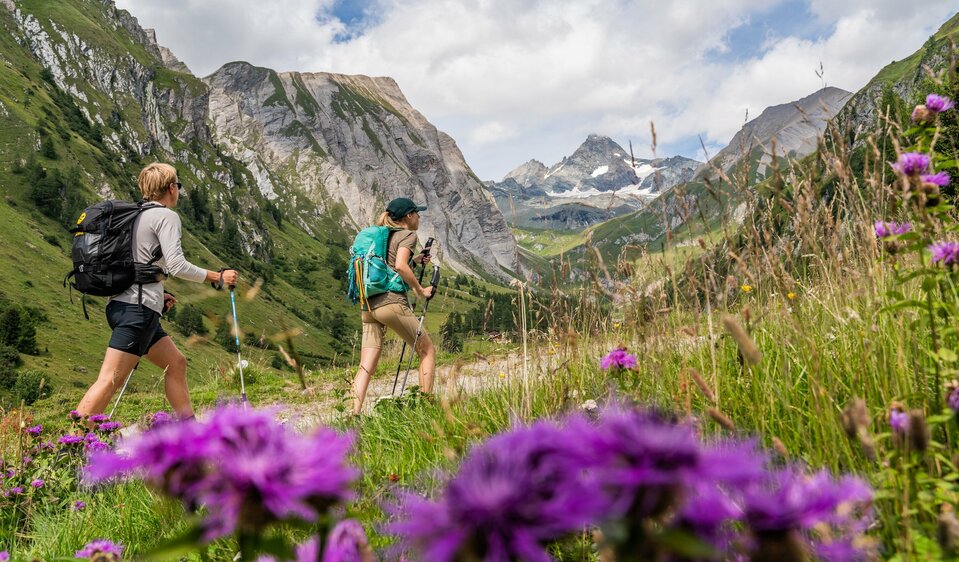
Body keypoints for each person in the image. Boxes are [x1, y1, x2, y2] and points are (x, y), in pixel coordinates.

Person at [76, 163, 238, 420]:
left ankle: (190, 429)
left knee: (176, 364)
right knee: (109, 380)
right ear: (172, 188)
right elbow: (176, 265)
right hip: (137, 311)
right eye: (178, 186)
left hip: (123, 304)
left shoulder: (134, 215)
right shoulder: (166, 217)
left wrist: (158, 294)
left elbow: (136, 264)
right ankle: (71, 445)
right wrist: (216, 277)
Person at [351, 197, 436, 415]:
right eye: (417, 213)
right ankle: (427, 408)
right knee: (427, 351)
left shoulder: (382, 235)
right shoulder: (408, 234)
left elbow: (387, 264)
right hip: (391, 303)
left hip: (369, 305)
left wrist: (415, 261)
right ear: (408, 216)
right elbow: (399, 266)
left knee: (366, 365)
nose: (419, 217)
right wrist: (420, 289)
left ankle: (352, 414)